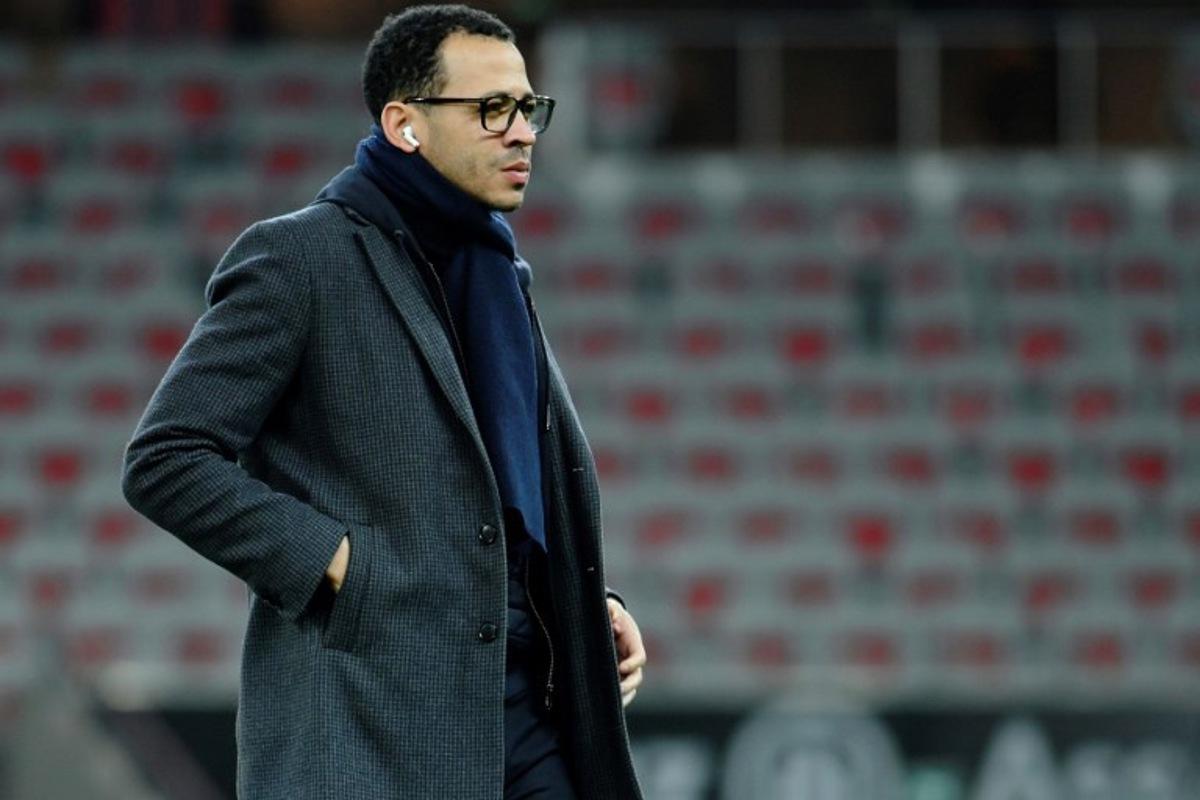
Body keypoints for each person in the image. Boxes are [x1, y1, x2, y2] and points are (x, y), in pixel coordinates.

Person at [120, 5, 646, 798]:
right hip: (376, 724)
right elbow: (166, 459)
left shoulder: (500, 276)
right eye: (491, 108)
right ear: (405, 124)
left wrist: (585, 601)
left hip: (524, 714)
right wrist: (340, 567)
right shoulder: (300, 258)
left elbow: (509, 496)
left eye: (527, 107)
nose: (522, 133)